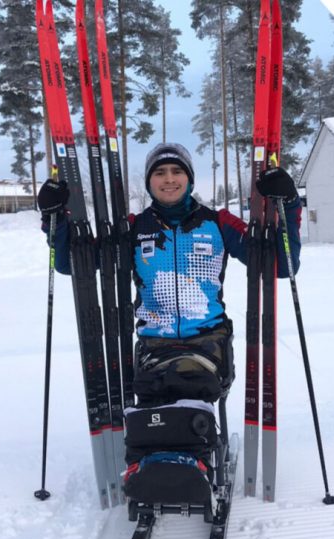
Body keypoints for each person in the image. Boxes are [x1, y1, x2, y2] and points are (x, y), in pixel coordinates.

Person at [39, 142, 303, 511]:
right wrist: (55, 218)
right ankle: (156, 464)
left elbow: (279, 263)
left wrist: (289, 205)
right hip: (153, 345)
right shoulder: (133, 228)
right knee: (151, 395)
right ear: (149, 182)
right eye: (160, 173)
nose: (169, 179)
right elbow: (72, 263)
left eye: (176, 172)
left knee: (191, 385)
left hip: (207, 341)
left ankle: (190, 460)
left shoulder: (219, 223)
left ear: (189, 178)